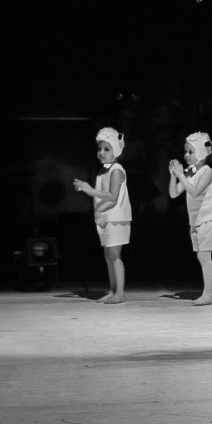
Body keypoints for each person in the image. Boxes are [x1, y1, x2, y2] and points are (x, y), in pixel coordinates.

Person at [168, 131, 212, 306]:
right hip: (197, 221)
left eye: (191, 152)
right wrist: (174, 175)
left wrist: (181, 175)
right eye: (185, 151)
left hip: (210, 218)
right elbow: (174, 193)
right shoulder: (190, 173)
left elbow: (195, 191)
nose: (186, 155)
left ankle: (208, 294)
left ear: (201, 152)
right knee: (203, 257)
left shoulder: (207, 171)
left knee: (204, 256)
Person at [73, 126, 130, 303]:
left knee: (115, 255)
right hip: (106, 218)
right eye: (99, 149)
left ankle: (120, 292)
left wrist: (89, 190)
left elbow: (113, 196)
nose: (101, 153)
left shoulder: (117, 170)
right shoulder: (103, 171)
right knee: (108, 256)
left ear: (116, 150)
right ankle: (113, 290)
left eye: (106, 149)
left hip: (116, 219)